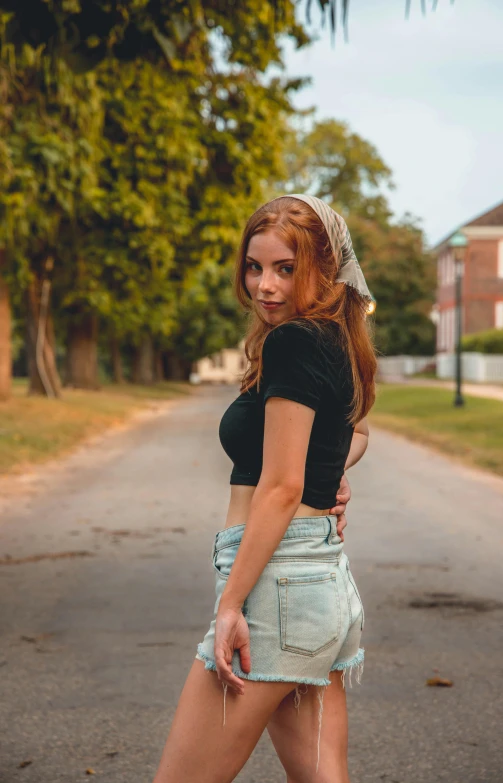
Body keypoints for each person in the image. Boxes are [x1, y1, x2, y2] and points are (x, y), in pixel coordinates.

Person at [152, 194, 377, 783]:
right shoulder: (333, 337)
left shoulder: (293, 342)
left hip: (276, 582)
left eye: (285, 268)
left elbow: (279, 489)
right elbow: (353, 432)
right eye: (255, 266)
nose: (265, 286)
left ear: (323, 269)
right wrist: (337, 470)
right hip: (320, 582)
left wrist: (230, 605)